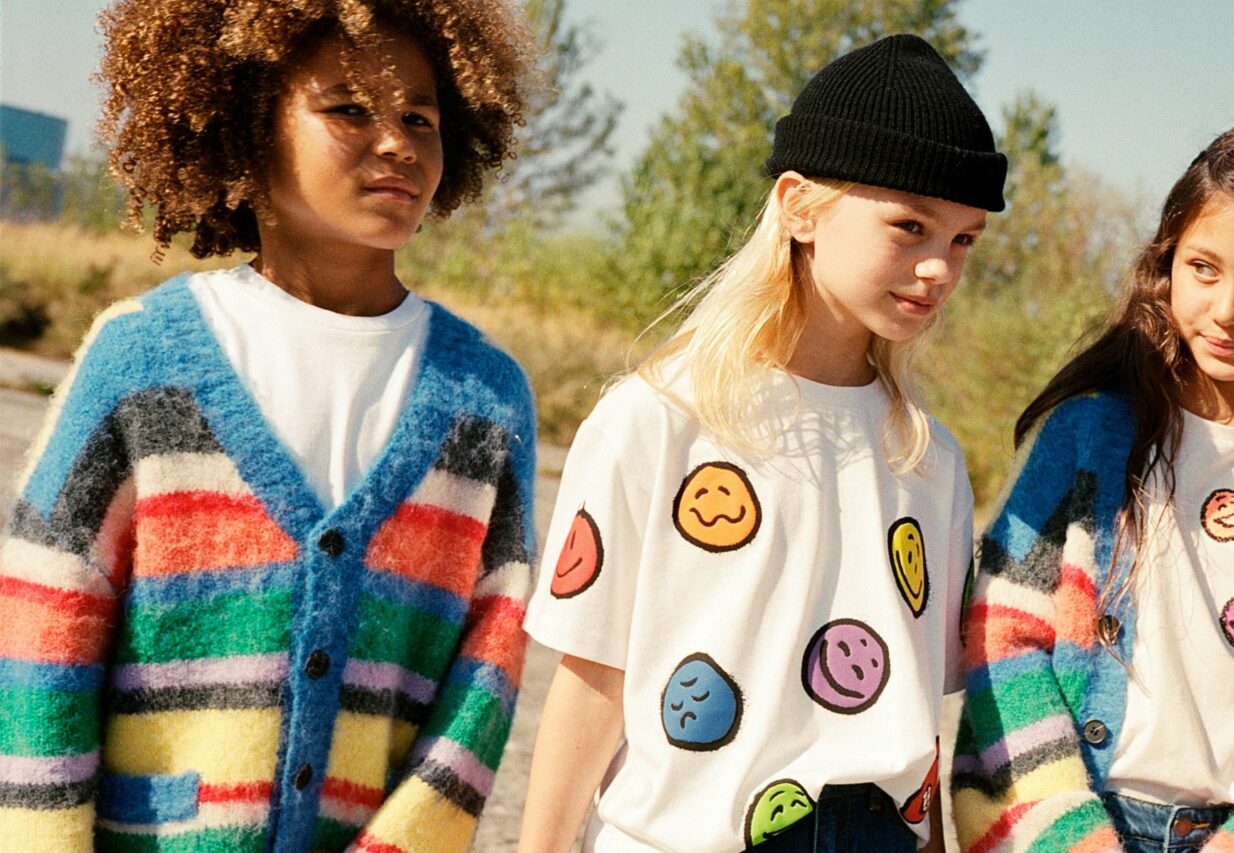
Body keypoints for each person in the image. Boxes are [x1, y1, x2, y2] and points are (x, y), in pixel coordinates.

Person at [0, 1, 537, 850]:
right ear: (249, 122)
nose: (396, 140)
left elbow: (490, 666)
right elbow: (42, 628)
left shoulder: (485, 400)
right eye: (350, 109)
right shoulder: (142, 360)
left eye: (420, 117)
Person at [516, 33, 1005, 853]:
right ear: (799, 204)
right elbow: (594, 671)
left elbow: (919, 719)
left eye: (962, 240)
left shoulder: (927, 457)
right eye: (910, 226)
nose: (938, 269)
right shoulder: (656, 419)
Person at [951, 117, 1234, 852]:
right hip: (1079, 822)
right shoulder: (1085, 439)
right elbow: (1003, 640)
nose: (1227, 309)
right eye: (1203, 268)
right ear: (1167, 263)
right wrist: (1073, 835)